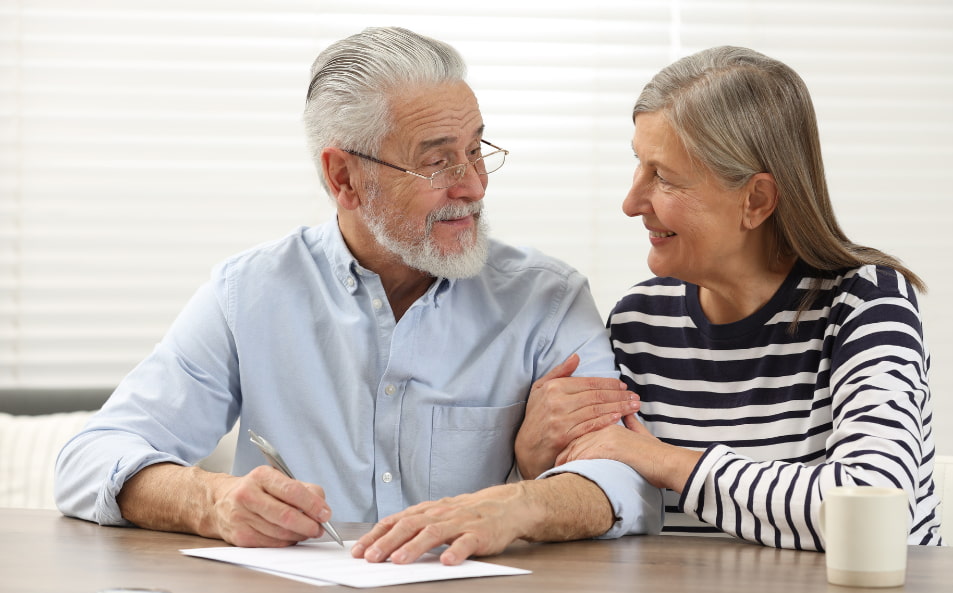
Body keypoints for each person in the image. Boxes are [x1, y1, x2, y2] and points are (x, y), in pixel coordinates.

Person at [55, 26, 663, 563]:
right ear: (344, 177)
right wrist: (208, 501)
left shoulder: (548, 299)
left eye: (477, 150)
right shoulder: (249, 293)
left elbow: (623, 479)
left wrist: (517, 507)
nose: (473, 185)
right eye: (438, 162)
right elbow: (90, 459)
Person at [549, 46, 942, 550]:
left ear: (755, 200)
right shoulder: (637, 322)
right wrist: (538, 447)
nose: (631, 203)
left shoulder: (865, 302)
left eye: (663, 176)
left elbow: (874, 505)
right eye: (637, 165)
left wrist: (665, 460)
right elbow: (609, 488)